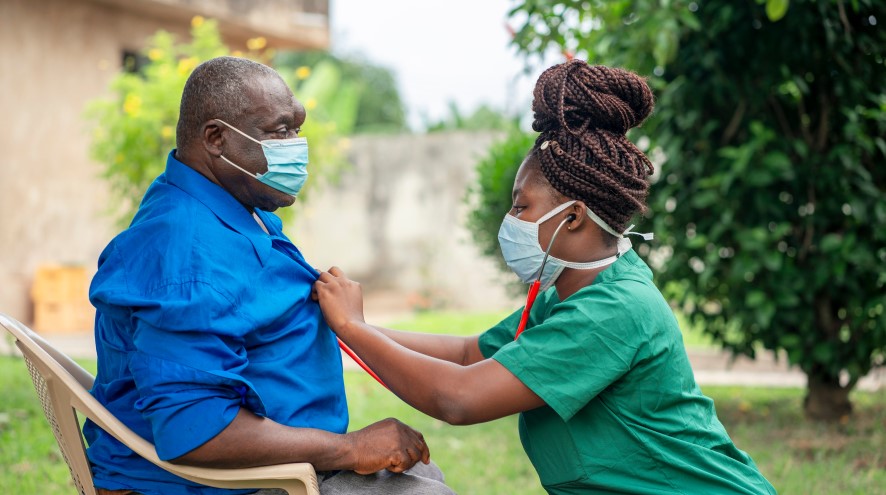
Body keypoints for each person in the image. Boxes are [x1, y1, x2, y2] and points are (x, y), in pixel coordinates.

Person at [314, 60, 777, 495]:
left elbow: (458, 398)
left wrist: (352, 328)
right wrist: (351, 326)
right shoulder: (571, 292)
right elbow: (467, 353)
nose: (510, 219)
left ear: (573, 217)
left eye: (521, 206)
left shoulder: (612, 310)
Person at [86, 56, 453, 495]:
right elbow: (195, 431)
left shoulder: (229, 209)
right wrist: (351, 448)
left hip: (278, 466)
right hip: (218, 483)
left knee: (423, 478)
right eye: (279, 132)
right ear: (217, 139)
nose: (295, 145)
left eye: (296, 129)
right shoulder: (187, 256)